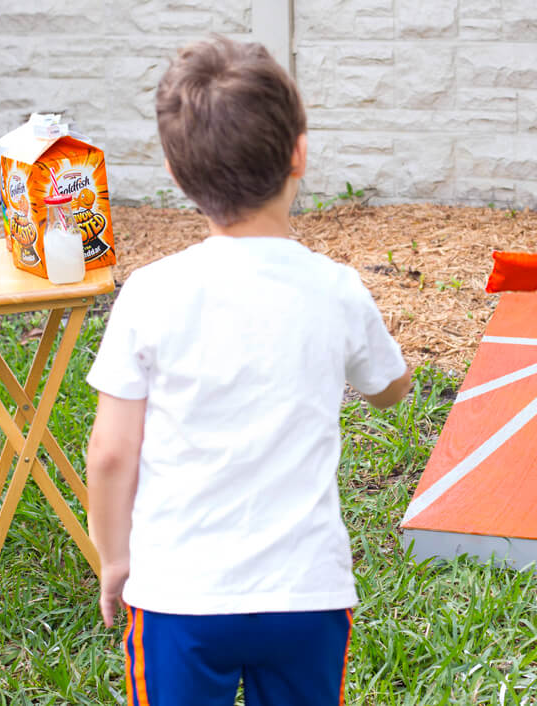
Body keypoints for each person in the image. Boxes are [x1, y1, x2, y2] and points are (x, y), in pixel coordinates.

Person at [86, 36, 411, 706]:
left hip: (178, 599)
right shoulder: (338, 289)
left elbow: (112, 453)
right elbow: (391, 390)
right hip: (305, 598)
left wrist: (115, 558)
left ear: (176, 176)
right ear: (299, 153)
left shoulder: (149, 293)